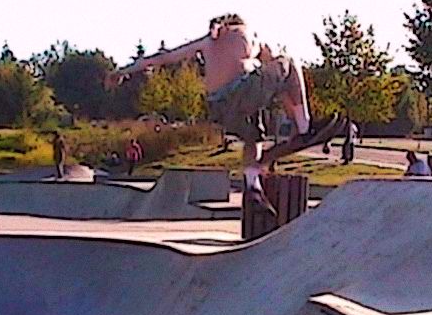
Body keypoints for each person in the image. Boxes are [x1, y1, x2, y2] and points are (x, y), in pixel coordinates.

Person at [105, 14, 342, 210]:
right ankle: (304, 126)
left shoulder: (207, 41)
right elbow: (278, 72)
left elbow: (163, 57)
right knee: (288, 63)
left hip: (219, 107)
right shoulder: (249, 34)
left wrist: (123, 71)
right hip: (243, 91)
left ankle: (252, 185)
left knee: (253, 137)